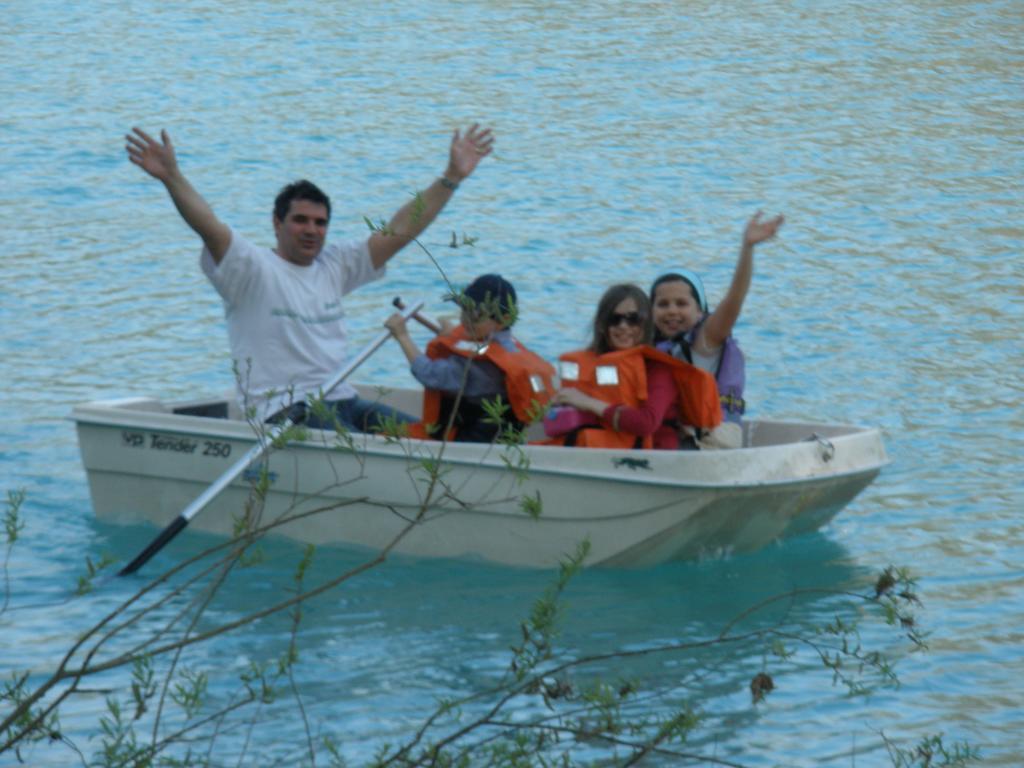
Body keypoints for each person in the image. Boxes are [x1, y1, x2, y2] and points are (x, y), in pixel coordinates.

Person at [125, 124, 494, 431]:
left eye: (320, 223)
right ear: (277, 223)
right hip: (283, 412)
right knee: (358, 449)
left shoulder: (335, 266)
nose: (311, 230)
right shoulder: (251, 271)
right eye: (300, 220)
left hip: (343, 398)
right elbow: (209, 227)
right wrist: (172, 177)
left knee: (426, 437)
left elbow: (399, 230)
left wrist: (451, 178)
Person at [650, 211, 784, 448]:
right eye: (662, 304)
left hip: (715, 435)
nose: (671, 311)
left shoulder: (706, 339)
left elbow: (735, 298)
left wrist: (747, 248)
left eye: (681, 304)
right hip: (672, 435)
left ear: (700, 312)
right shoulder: (648, 348)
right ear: (651, 312)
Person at [384, 274, 555, 443]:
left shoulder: (481, 365)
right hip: (493, 441)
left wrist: (402, 336)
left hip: (461, 444)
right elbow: (468, 346)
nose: (466, 320)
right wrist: (450, 338)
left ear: (505, 319)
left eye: (476, 316)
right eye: (464, 310)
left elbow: (430, 374)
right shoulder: (509, 346)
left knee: (374, 425)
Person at [548, 284, 721, 450]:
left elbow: (646, 423)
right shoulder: (589, 365)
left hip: (655, 458)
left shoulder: (659, 369)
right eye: (614, 319)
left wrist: (586, 402)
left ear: (646, 325)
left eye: (633, 320)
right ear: (602, 325)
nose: (624, 326)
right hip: (598, 449)